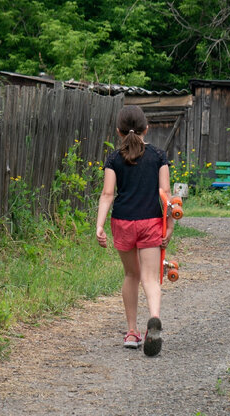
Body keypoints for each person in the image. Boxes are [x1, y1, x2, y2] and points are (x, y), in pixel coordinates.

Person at [95, 104, 172, 356]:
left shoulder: (113, 159)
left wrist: (99, 225)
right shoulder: (159, 156)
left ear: (118, 131)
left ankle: (131, 332)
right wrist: (169, 224)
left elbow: (108, 194)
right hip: (150, 220)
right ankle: (154, 320)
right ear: (146, 129)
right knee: (150, 277)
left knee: (131, 275)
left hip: (123, 222)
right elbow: (166, 195)